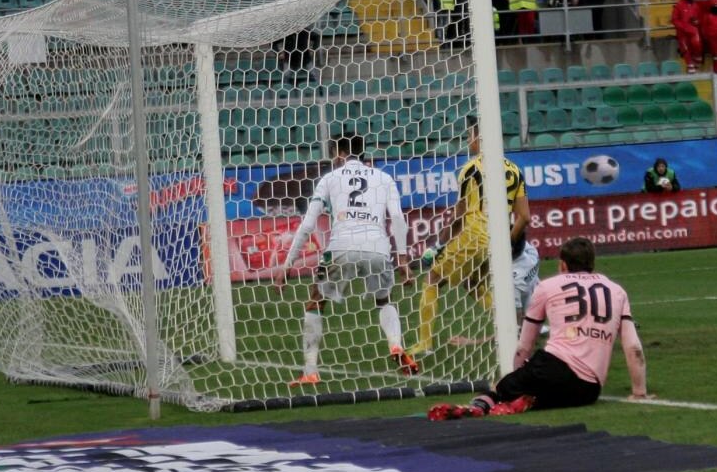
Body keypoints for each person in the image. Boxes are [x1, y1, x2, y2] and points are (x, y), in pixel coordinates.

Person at [427, 236, 651, 419]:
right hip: (589, 389)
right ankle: (528, 401)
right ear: (592, 263)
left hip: (553, 367)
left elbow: (525, 344)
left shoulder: (548, 286)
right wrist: (639, 392)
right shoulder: (616, 291)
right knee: (550, 393)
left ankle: (479, 405)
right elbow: (634, 348)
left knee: (502, 387)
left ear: (563, 264)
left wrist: (514, 376)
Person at [272, 132, 418, 385]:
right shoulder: (384, 177)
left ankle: (310, 371)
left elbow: (307, 225)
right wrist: (403, 259)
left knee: (315, 301)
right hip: (377, 247)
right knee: (383, 299)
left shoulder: (330, 178)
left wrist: (287, 265)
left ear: (338, 154)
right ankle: (395, 345)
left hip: (341, 247)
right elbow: (397, 218)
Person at [413, 116, 530, 356]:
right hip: (495, 240)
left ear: (481, 138)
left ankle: (424, 344)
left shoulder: (472, 168)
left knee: (433, 278)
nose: (468, 141)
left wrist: (439, 244)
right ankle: (513, 330)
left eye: (470, 136)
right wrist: (505, 243)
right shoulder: (515, 170)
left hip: (473, 235)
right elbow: (525, 217)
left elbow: (460, 214)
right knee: (473, 284)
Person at [672, 0, 703, 73]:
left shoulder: (695, 6)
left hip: (693, 30)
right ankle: (690, 66)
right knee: (685, 49)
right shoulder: (679, 5)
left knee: (697, 44)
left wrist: (696, 22)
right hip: (682, 32)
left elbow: (699, 18)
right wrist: (683, 27)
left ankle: (697, 60)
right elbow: (674, 19)